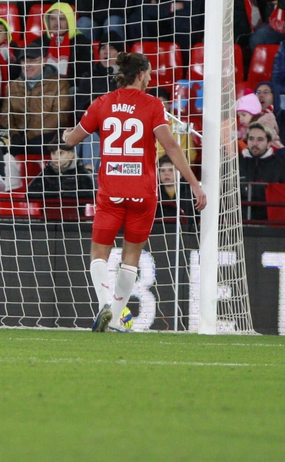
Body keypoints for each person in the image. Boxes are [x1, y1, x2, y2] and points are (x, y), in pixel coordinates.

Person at [61, 50, 206, 332]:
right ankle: (115, 317)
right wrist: (193, 182)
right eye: (149, 73)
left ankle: (106, 303)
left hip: (111, 191)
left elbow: (73, 139)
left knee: (99, 254)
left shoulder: (102, 103)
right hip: (142, 192)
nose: (151, 77)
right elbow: (172, 147)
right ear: (140, 75)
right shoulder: (152, 105)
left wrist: (67, 135)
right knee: (131, 258)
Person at [238, 122, 285, 220]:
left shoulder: (283, 168)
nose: (255, 143)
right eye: (251, 139)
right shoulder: (235, 164)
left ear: (269, 143)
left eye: (260, 139)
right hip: (238, 223)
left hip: (271, 225)